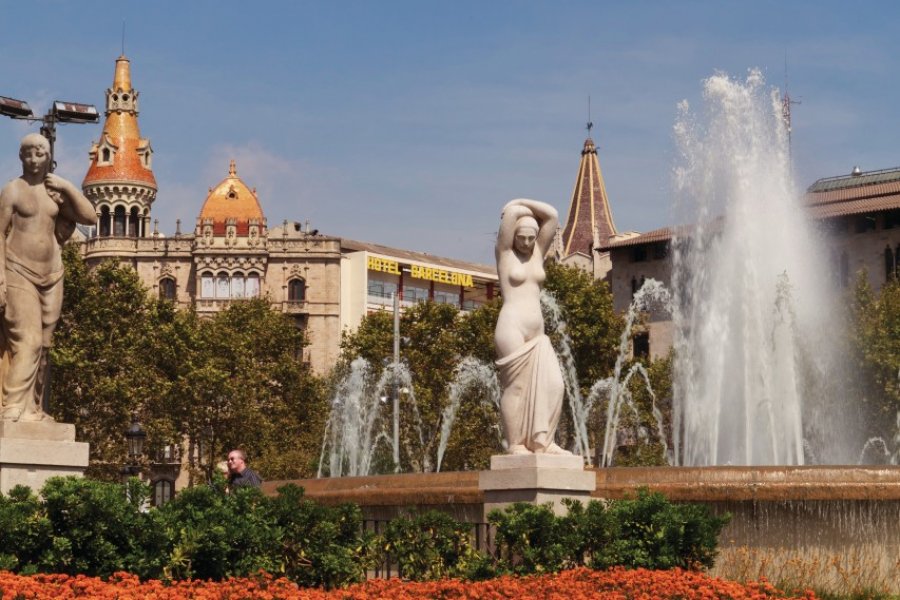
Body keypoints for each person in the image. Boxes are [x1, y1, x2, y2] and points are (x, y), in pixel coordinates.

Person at [0, 133, 98, 421]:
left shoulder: (54, 192)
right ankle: (13, 407)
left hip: (52, 275)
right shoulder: (12, 191)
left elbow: (90, 217)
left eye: (39, 153)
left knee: (44, 347)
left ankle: (35, 408)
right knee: (27, 340)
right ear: (21, 157)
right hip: (18, 270)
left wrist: (67, 187)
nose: (33, 159)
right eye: (27, 154)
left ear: (48, 158)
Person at [494, 199, 570, 455]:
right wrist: (514, 209)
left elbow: (552, 215)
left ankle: (543, 441)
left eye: (531, 238)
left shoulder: (538, 252)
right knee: (516, 387)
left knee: (554, 385)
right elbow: (512, 214)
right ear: (512, 236)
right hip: (511, 326)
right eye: (521, 238)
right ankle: (515, 444)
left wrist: (520, 201)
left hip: (538, 335)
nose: (526, 243)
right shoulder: (505, 255)